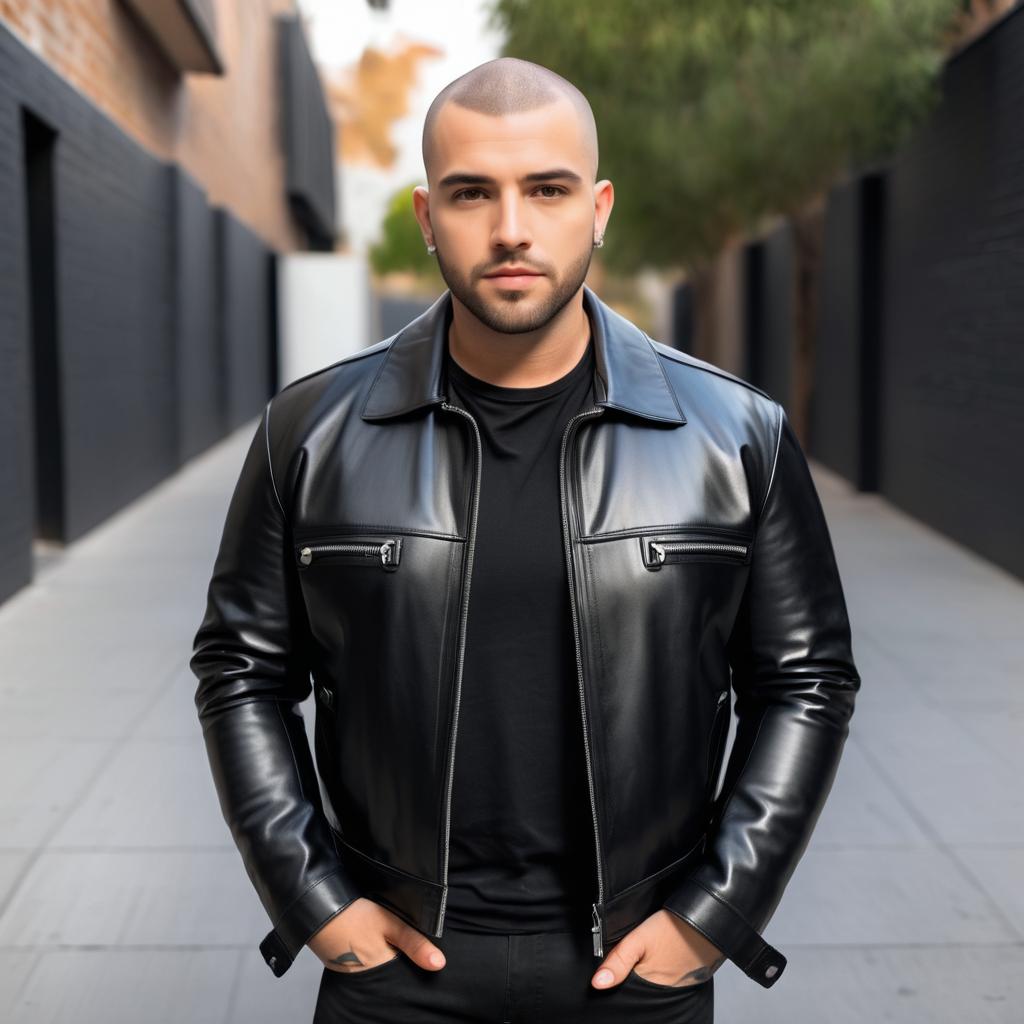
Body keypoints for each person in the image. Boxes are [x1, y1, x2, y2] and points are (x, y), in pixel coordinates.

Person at [190, 57, 860, 1024]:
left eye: (546, 189)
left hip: (635, 967)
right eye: (472, 193)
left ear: (597, 208)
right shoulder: (309, 431)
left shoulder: (735, 434)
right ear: (427, 216)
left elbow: (806, 678)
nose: (511, 228)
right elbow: (241, 667)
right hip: (395, 970)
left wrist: (715, 914)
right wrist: (316, 903)